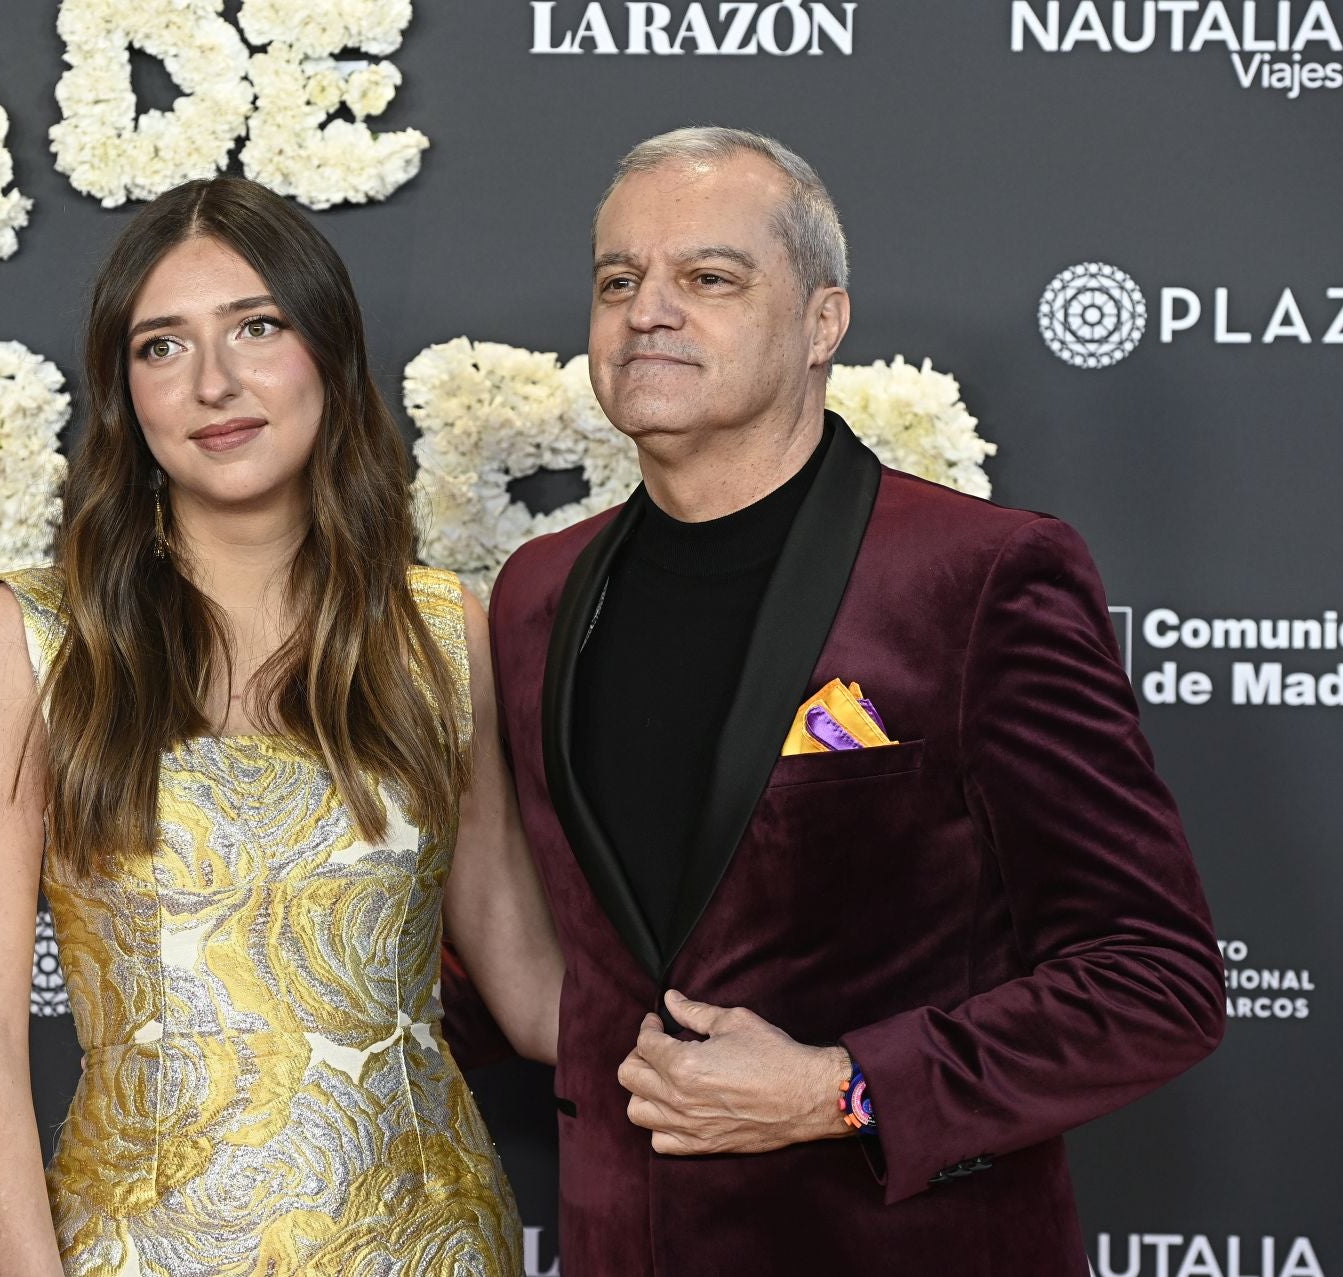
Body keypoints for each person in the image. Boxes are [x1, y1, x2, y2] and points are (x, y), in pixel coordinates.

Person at [479, 127, 1226, 1273]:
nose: (647, 312)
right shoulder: (537, 594)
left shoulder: (974, 576)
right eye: (618, 280)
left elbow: (1154, 978)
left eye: (709, 278)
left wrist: (847, 1088)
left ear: (824, 322)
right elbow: (563, 966)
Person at [0, 176, 558, 1277]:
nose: (214, 382)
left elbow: (532, 986)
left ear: (328, 351)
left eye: (256, 327)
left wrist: (820, 1038)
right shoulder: (32, 640)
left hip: (432, 1248)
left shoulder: (440, 631)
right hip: (143, 1252)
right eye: (162, 346)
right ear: (126, 393)